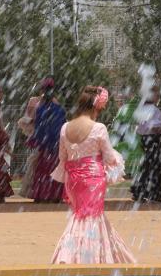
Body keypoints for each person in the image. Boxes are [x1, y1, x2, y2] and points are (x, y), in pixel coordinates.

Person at [50, 86, 136, 264]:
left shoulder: (65, 128)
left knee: (80, 215)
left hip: (73, 179)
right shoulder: (99, 128)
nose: (99, 113)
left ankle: (76, 255)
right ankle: (92, 258)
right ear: (94, 107)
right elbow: (110, 157)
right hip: (93, 179)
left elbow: (62, 158)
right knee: (92, 217)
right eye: (99, 109)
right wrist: (118, 161)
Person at [28, 79, 66, 202]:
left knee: (43, 171)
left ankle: (42, 195)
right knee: (54, 170)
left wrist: (37, 141)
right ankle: (54, 195)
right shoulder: (60, 110)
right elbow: (62, 130)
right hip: (55, 148)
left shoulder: (40, 109)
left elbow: (39, 129)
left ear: (43, 91)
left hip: (45, 148)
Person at [130, 86, 161, 202]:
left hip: (144, 140)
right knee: (154, 166)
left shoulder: (142, 109)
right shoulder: (154, 110)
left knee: (146, 166)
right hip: (153, 139)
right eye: (156, 95)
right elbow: (155, 126)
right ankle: (153, 193)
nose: (158, 97)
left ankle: (140, 191)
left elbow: (140, 127)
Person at [17, 85, 42, 198]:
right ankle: (33, 190)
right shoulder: (33, 100)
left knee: (38, 162)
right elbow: (27, 117)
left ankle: (38, 190)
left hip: (46, 136)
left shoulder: (53, 101)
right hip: (38, 135)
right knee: (35, 162)